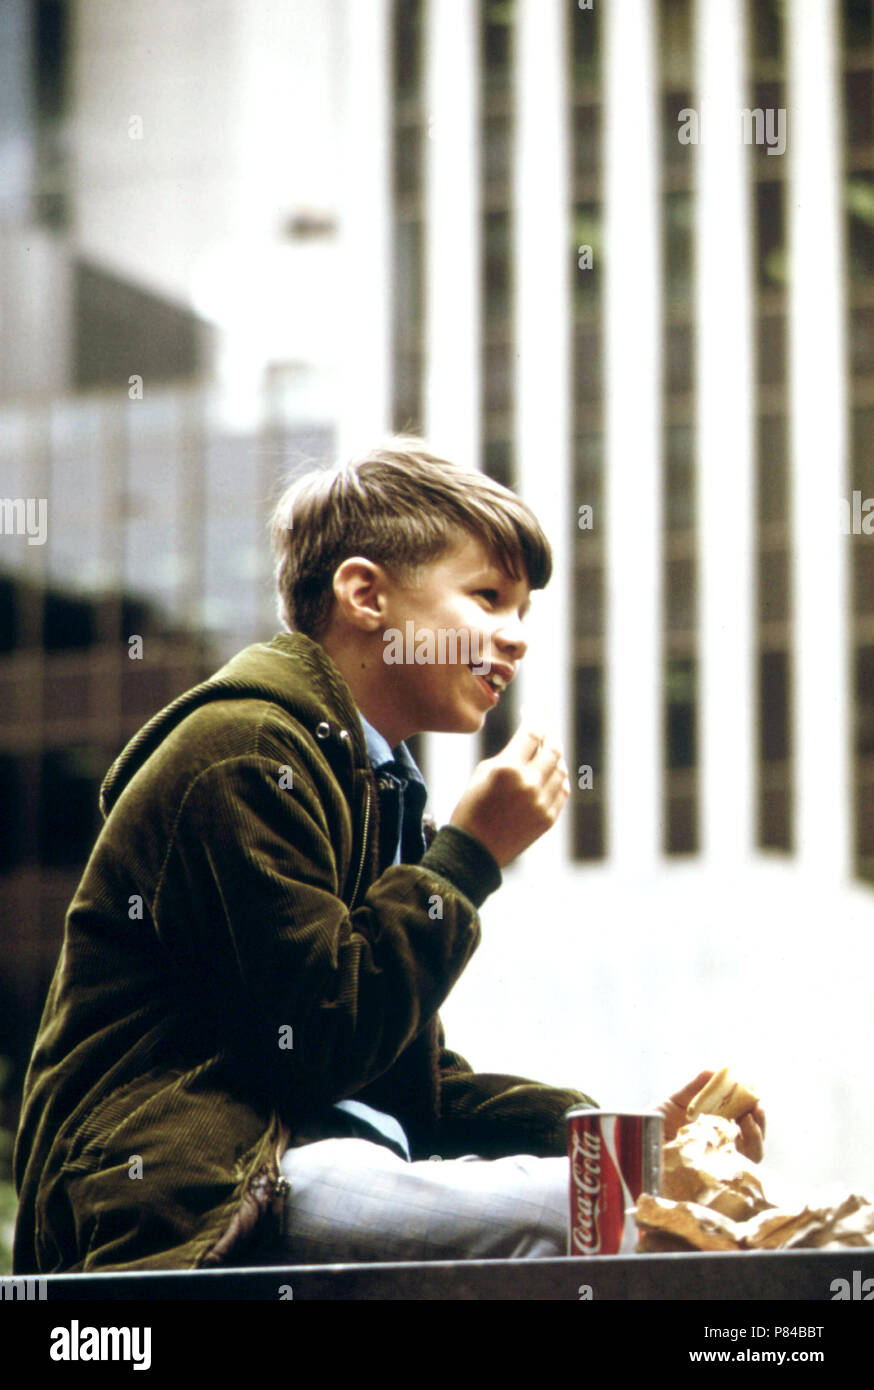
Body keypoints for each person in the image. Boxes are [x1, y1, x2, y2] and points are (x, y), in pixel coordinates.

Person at [13, 440, 764, 1272]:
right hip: (184, 1189)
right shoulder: (245, 752)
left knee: (625, 1195)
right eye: (488, 597)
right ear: (365, 594)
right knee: (616, 1220)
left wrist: (615, 1139)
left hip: (308, 1164)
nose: (514, 640)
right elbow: (323, 1037)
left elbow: (412, 1078)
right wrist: (471, 856)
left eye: (523, 614)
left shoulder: (371, 784)